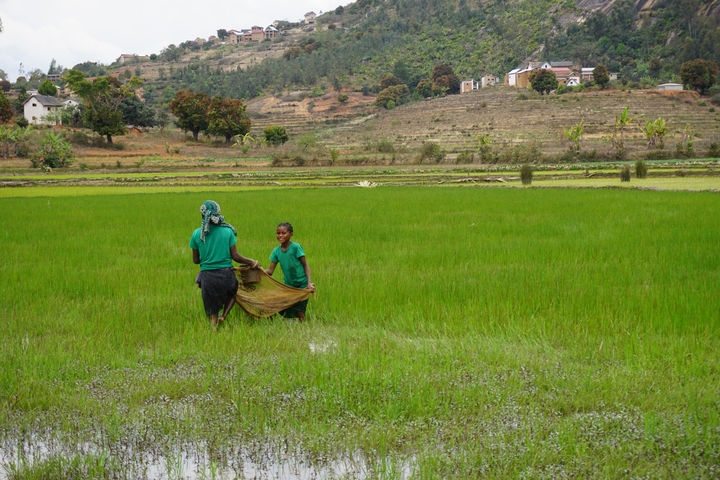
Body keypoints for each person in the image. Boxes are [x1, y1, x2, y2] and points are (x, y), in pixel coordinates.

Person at [190, 200, 260, 329]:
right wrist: (251, 262)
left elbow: (196, 260)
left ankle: (214, 325)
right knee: (233, 293)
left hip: (208, 277)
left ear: (202, 215)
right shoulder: (228, 231)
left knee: (211, 307)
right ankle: (224, 316)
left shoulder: (196, 234)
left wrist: (208, 257)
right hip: (226, 275)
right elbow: (236, 256)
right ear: (218, 213)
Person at [264, 222, 315, 321]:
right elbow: (270, 271)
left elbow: (305, 265)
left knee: (300, 311)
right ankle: (273, 324)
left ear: (291, 234)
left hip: (302, 285)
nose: (280, 235)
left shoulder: (296, 247)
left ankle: (303, 328)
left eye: (284, 233)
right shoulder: (276, 251)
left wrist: (309, 283)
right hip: (289, 285)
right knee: (281, 306)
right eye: (278, 233)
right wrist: (257, 270)